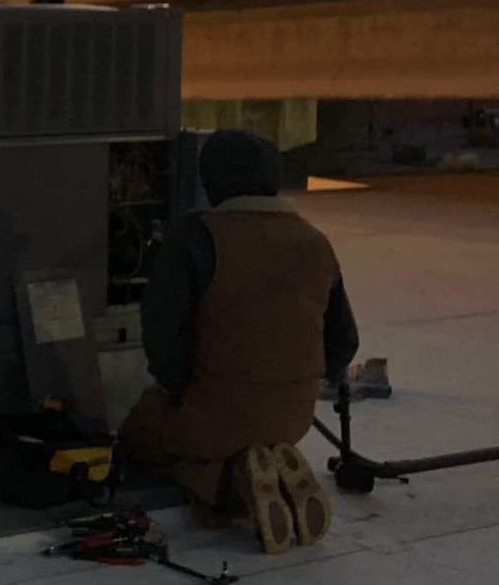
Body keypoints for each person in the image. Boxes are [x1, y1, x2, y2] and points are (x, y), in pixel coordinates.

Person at [119, 129, 359, 554]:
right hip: (292, 420)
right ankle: (274, 475)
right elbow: (344, 341)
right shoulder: (314, 242)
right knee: (214, 433)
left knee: (138, 439)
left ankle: (236, 483)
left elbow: (160, 328)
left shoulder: (197, 236)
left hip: (213, 416)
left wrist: (174, 388)